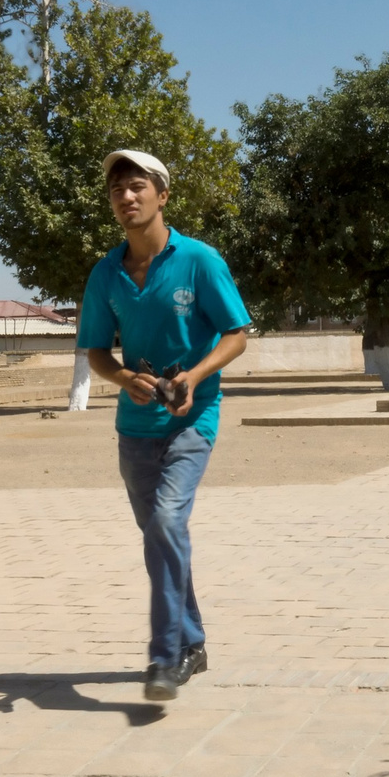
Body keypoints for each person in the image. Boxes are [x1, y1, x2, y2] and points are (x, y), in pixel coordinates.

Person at [77, 149, 252, 702]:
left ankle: (166, 655)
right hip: (134, 427)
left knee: (166, 523)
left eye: (137, 187)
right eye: (117, 191)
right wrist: (125, 377)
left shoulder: (199, 260)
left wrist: (196, 376)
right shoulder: (105, 273)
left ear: (162, 195)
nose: (126, 198)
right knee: (160, 536)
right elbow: (97, 353)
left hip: (192, 419)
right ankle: (194, 643)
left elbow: (237, 333)